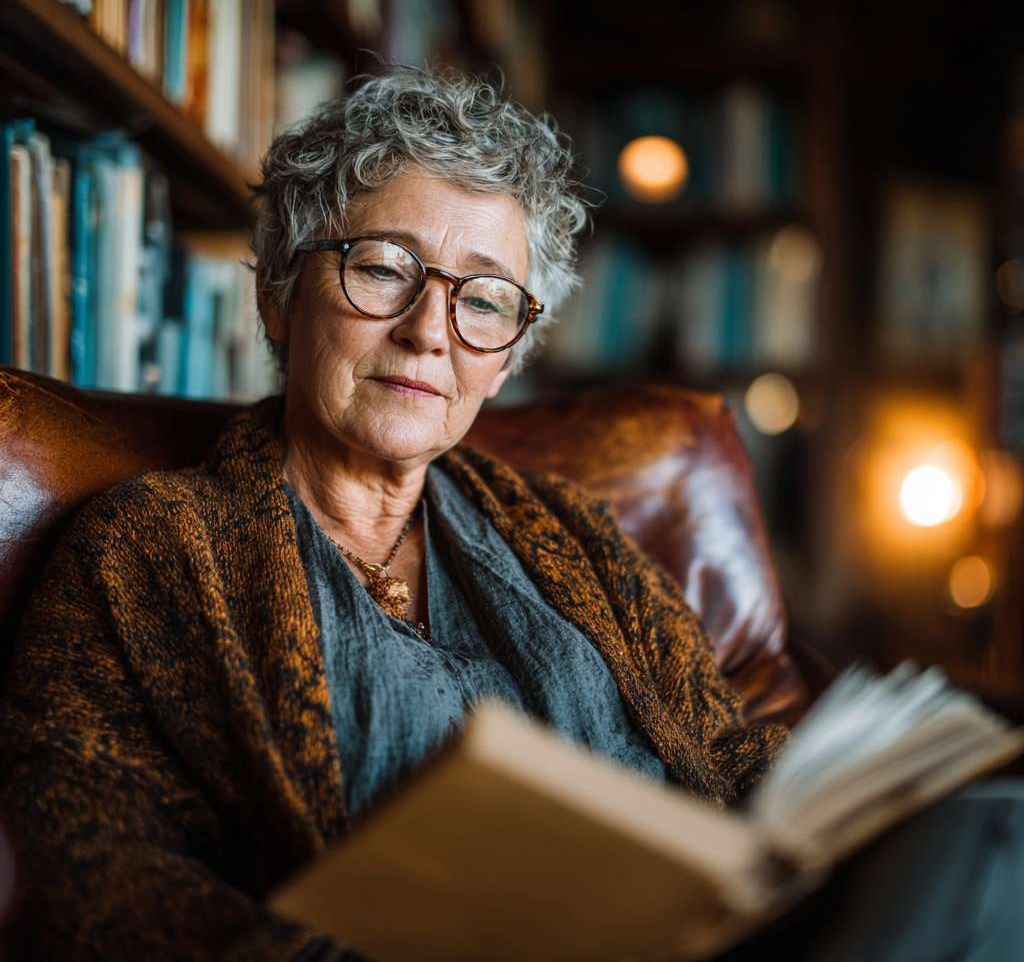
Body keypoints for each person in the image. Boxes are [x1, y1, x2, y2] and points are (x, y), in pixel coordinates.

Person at [1, 69, 1022, 962]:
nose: (427, 332)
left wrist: (851, 811)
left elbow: (725, 759)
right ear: (277, 291)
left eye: (483, 299)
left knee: (994, 840)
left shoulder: (579, 536)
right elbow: (101, 877)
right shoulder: (147, 546)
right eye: (382, 268)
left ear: (508, 354)